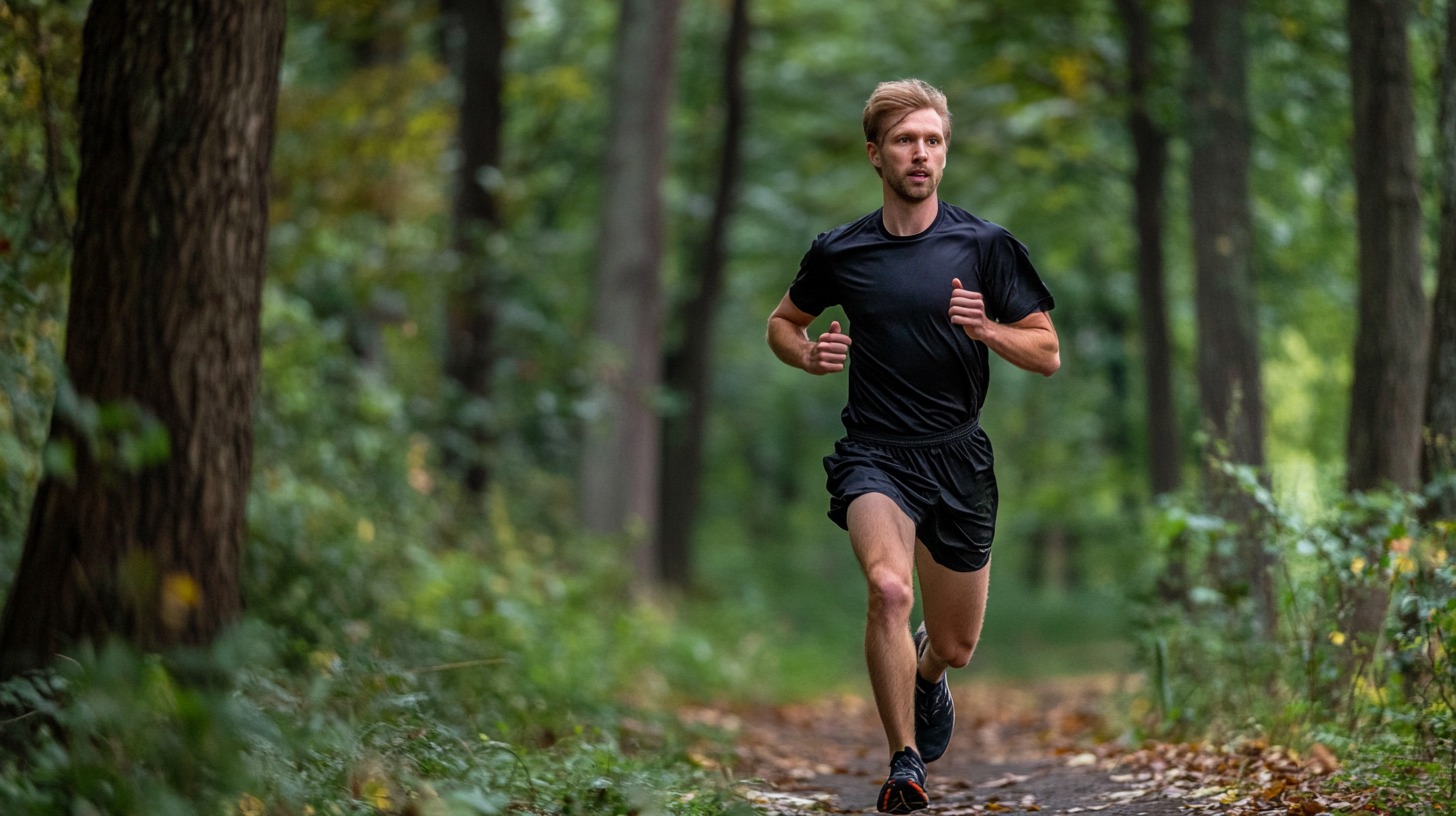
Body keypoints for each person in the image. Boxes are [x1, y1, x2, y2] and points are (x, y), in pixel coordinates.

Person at [765, 78, 1060, 813]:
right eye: (904, 140)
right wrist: (805, 356)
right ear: (876, 154)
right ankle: (904, 765)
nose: (920, 153)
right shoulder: (840, 252)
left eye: (932, 140)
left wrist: (988, 329)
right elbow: (782, 321)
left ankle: (929, 673)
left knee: (957, 644)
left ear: (945, 153)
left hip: (959, 456)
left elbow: (1048, 351)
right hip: (876, 454)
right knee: (888, 589)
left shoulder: (985, 246)